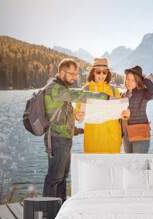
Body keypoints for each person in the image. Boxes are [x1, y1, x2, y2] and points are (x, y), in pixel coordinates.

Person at [42, 58, 108, 202]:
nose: (74, 76)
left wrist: (79, 128)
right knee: (54, 178)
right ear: (61, 72)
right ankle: (48, 214)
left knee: (62, 177)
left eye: (75, 74)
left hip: (64, 139)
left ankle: (59, 208)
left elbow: (62, 116)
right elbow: (79, 95)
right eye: (70, 73)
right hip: (56, 139)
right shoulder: (55, 88)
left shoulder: (61, 89)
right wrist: (104, 97)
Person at [74, 58, 130, 153]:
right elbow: (78, 115)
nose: (101, 75)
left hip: (113, 138)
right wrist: (78, 116)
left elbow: (122, 114)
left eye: (104, 72)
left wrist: (126, 114)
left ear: (107, 73)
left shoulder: (114, 90)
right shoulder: (85, 89)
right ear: (93, 73)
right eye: (98, 72)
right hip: (93, 138)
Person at [121, 65, 153, 153]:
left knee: (139, 162)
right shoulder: (123, 95)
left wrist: (145, 80)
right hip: (126, 133)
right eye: (127, 79)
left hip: (139, 133)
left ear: (138, 81)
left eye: (133, 80)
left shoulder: (143, 93)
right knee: (129, 161)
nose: (129, 82)